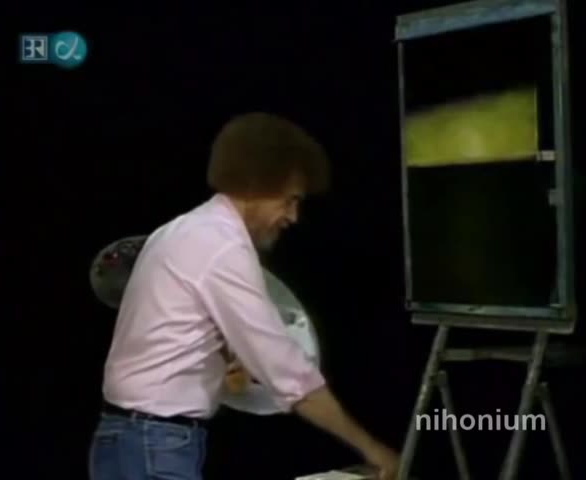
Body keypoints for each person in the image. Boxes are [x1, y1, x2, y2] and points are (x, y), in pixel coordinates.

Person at [89, 112, 400, 480]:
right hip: (156, 445)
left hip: (116, 436)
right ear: (257, 186)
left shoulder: (176, 231)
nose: (293, 216)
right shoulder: (223, 248)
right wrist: (373, 449)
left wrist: (224, 362)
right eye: (290, 200)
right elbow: (288, 373)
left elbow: (171, 338)